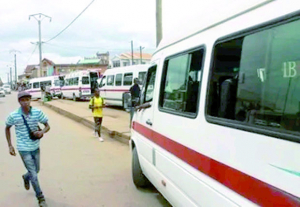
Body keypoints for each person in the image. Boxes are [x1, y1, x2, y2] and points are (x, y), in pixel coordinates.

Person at [5, 91, 50, 207]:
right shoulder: (14, 115)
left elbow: (47, 126)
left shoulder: (37, 113)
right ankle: (41, 199)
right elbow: (7, 128)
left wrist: (42, 132)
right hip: (23, 148)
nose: (25, 102)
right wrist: (10, 145)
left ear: (30, 100)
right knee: (34, 175)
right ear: (19, 102)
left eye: (27, 99)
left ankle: (26, 177)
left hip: (35, 147)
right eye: (23, 100)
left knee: (36, 170)